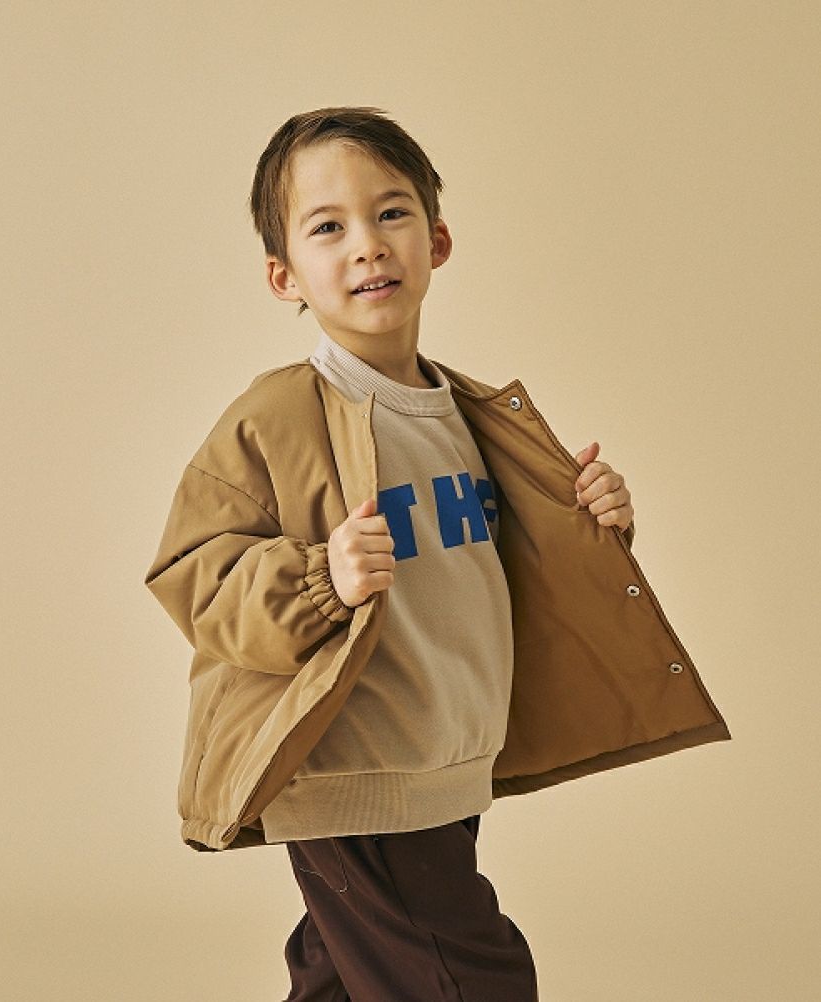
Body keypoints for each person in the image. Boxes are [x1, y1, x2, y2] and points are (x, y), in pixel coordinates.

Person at [143, 106, 730, 1002]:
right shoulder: (277, 418)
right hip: (357, 769)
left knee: (349, 978)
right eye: (328, 228)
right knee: (468, 978)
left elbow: (486, 567)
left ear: (437, 240)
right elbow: (198, 576)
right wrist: (321, 578)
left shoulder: (468, 412)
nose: (368, 245)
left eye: (392, 213)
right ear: (283, 274)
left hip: (444, 764)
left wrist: (593, 524)